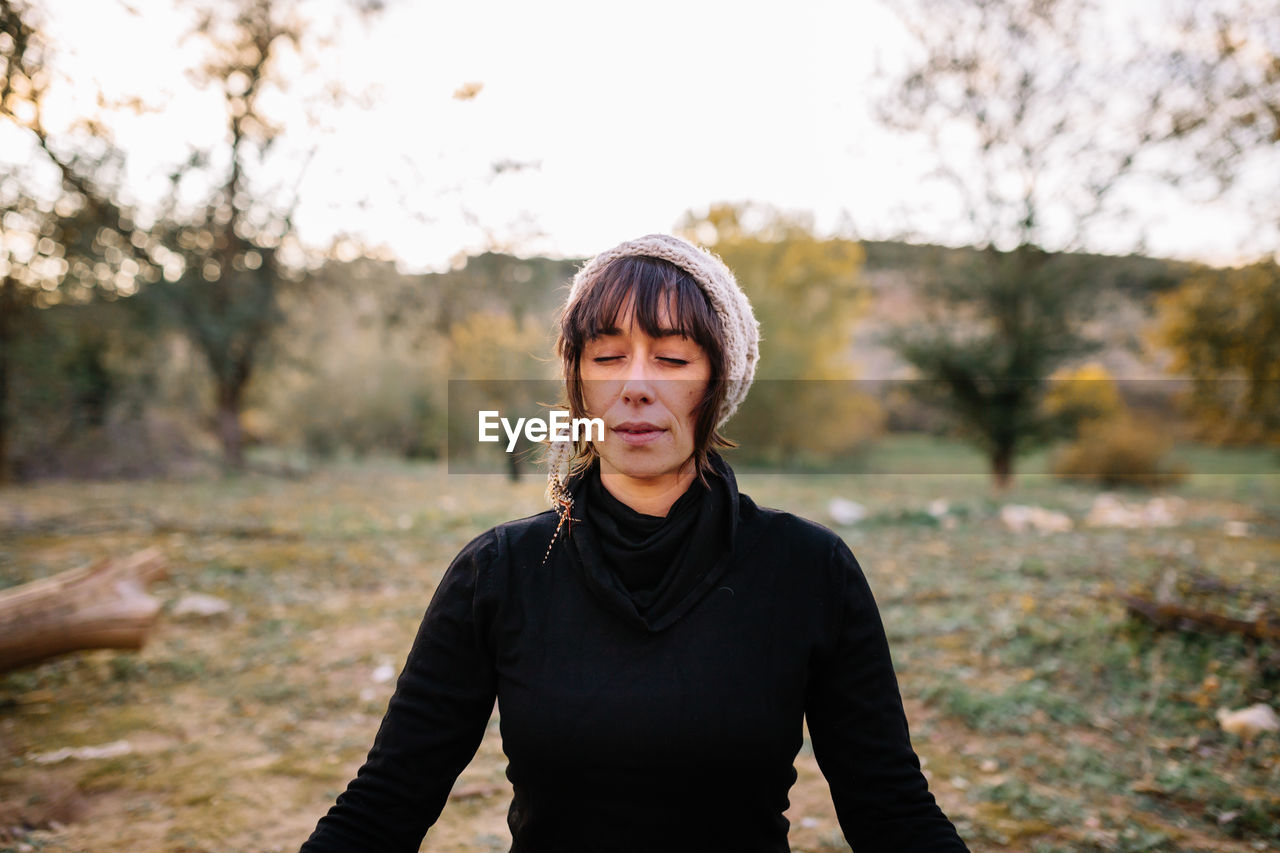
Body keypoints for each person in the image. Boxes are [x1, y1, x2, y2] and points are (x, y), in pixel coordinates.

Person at [300, 234, 969, 852]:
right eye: (608, 356)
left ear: (719, 380)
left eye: (673, 358)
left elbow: (893, 811)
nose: (636, 385)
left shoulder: (809, 570)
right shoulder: (500, 572)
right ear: (578, 380)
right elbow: (386, 802)